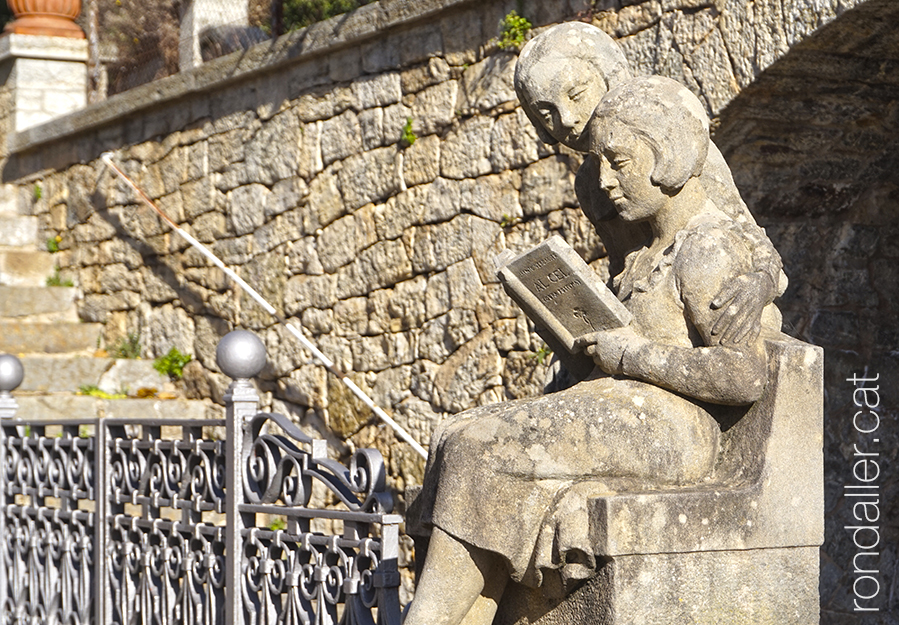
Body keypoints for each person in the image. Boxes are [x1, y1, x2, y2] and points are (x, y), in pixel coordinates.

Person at [404, 76, 780, 625]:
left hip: (673, 428)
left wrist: (630, 355)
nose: (603, 180)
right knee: (455, 435)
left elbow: (744, 375)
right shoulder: (648, 251)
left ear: (667, 153)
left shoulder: (709, 244)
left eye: (619, 161)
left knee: (480, 448)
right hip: (625, 410)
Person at [513, 22, 785, 355]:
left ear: (608, 76)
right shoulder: (590, 184)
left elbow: (751, 238)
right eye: (546, 112)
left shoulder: (677, 144)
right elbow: (622, 269)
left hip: (709, 317)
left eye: (576, 95)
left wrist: (761, 282)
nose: (566, 118)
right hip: (649, 323)